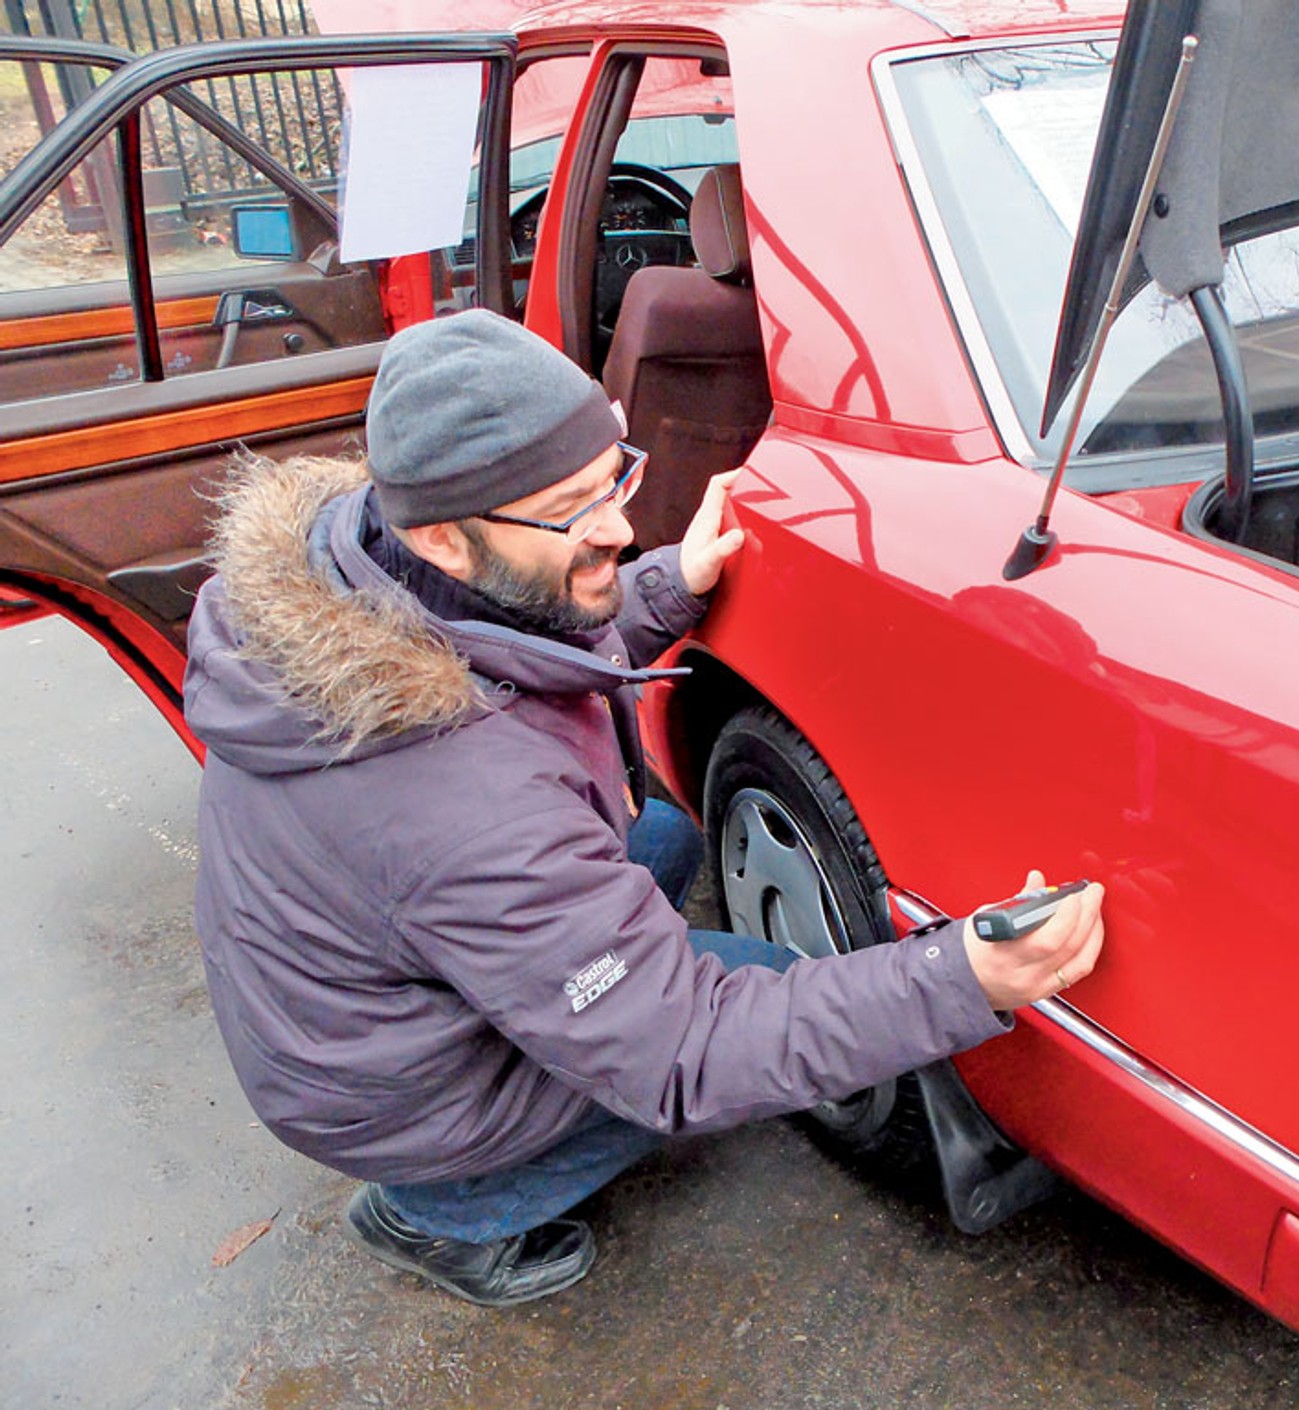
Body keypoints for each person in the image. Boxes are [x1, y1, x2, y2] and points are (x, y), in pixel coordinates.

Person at [184, 309, 1104, 1307]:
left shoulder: (366, 566)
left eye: (611, 478)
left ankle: (550, 1019)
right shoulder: (461, 807)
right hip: (396, 1104)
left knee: (658, 838)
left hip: (356, 1019)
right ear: (444, 537)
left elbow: (508, 625)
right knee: (752, 984)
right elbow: (682, 1053)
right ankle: (436, 1215)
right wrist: (958, 978)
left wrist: (668, 583)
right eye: (570, 510)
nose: (620, 527)